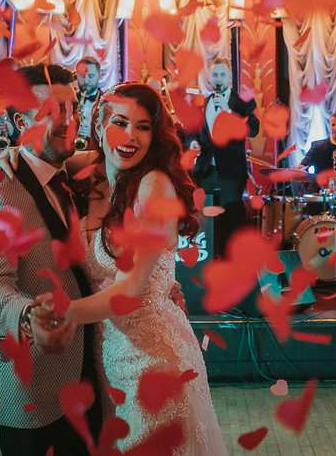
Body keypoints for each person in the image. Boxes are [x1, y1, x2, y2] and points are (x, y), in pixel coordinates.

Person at [36, 82, 227, 455]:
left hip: (154, 363)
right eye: (120, 123)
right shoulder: (99, 173)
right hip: (112, 362)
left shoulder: (154, 187)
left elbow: (130, 291)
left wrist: (64, 312)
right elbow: (41, 158)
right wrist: (10, 157)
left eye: (143, 127)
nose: (129, 137)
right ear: (99, 125)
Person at [0, 63, 99, 455]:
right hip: (30, 385)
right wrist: (28, 316)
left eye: (72, 109)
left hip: (85, 373)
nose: (69, 121)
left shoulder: (69, 172)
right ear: (22, 122)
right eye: (53, 111)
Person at [192, 58, 259, 257]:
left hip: (231, 172)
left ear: (229, 77)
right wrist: (195, 143)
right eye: (215, 74)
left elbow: (254, 129)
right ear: (209, 77)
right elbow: (203, 134)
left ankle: (233, 264)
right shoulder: (205, 102)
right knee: (208, 222)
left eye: (222, 74)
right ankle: (211, 261)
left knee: (230, 221)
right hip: (207, 171)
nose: (218, 78)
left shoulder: (241, 103)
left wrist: (229, 113)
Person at [75, 56, 103, 151]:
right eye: (82, 76)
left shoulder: (108, 104)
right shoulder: (68, 101)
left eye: (91, 76)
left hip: (96, 151)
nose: (86, 81)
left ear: (99, 76)